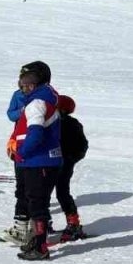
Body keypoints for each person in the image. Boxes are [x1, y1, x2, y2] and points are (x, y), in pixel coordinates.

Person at [4, 60, 62, 261]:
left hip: (37, 161)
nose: (24, 87)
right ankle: (37, 241)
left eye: (30, 82)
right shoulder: (40, 100)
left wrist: (22, 152)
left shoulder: (36, 103)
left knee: (37, 204)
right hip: (39, 161)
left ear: (41, 82)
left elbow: (35, 134)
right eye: (22, 82)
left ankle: (41, 246)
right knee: (36, 201)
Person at [53, 94, 88, 242]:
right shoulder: (54, 122)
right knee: (51, 192)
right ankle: (44, 221)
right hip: (53, 162)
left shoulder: (68, 124)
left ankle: (73, 223)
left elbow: (82, 145)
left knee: (61, 192)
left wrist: (71, 159)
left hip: (64, 163)